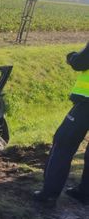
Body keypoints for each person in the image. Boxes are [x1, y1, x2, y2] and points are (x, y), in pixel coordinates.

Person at [34, 43, 89, 208]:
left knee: (63, 143)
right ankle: (85, 192)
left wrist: (71, 57)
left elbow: (81, 62)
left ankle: (50, 193)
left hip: (86, 104)